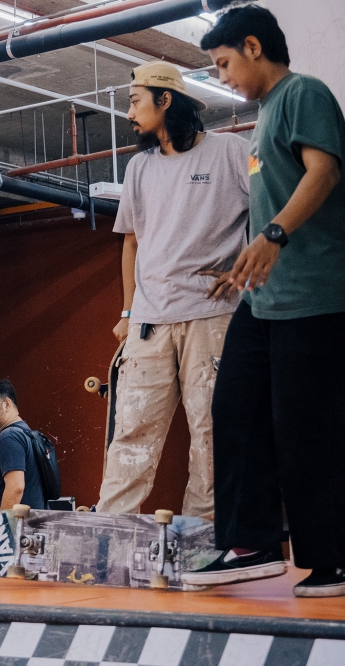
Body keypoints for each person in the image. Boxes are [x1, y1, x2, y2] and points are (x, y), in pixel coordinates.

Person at [183, 5, 345, 597]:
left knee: (305, 428)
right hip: (265, 295)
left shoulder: (303, 93)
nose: (222, 77)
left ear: (254, 46)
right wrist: (245, 262)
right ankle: (250, 543)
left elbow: (322, 173)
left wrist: (273, 236)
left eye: (224, 63)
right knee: (235, 409)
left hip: (315, 293)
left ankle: (331, 560)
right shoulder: (264, 117)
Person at [95, 61, 250, 521]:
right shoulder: (139, 168)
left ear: (166, 100)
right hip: (148, 320)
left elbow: (271, 211)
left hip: (213, 314)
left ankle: (203, 537)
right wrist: (127, 310)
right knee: (132, 430)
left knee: (213, 432)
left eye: (135, 101)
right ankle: (109, 530)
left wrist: (246, 268)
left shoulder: (232, 152)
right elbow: (131, 242)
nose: (129, 114)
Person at [0, 380, 44, 519]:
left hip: (17, 532)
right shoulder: (23, 432)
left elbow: (16, 488)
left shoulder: (10, 437)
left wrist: (1, 527)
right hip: (27, 529)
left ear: (7, 404)